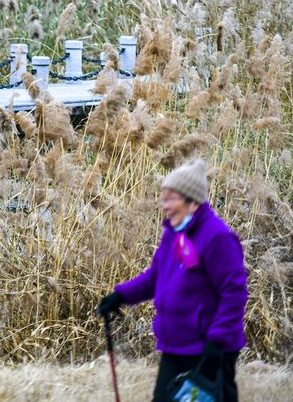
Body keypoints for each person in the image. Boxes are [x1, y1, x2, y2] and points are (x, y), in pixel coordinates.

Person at [97, 159, 247, 402]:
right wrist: (121, 296)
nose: (164, 205)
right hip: (176, 347)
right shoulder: (174, 234)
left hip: (209, 352)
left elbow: (235, 295)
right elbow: (154, 277)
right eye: (163, 198)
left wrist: (216, 343)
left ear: (192, 201)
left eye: (170, 198)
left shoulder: (218, 238)